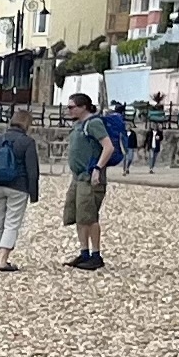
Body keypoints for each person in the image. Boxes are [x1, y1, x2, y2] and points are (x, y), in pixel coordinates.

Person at [0, 109, 39, 272]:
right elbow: (32, 171)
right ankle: (3, 260)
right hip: (19, 187)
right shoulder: (27, 142)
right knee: (12, 223)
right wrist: (34, 194)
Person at [61, 92, 114, 271]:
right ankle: (84, 252)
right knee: (79, 216)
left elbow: (108, 147)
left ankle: (96, 255)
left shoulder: (94, 123)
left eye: (71, 107)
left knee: (90, 216)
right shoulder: (79, 125)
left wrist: (97, 169)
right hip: (78, 178)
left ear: (83, 107)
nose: (68, 110)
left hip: (90, 178)